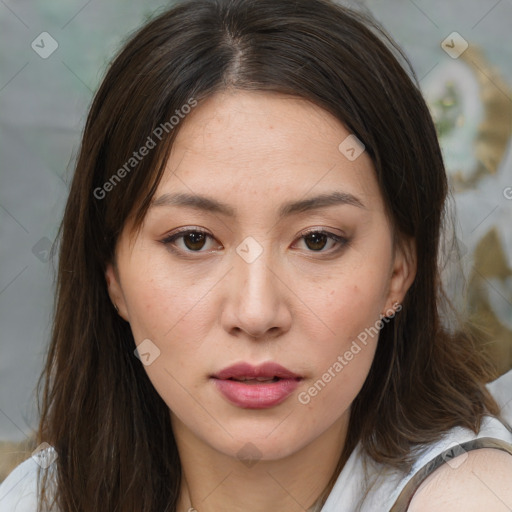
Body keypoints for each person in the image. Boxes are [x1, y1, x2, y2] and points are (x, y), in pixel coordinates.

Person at [1, 0, 511, 510]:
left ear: (398, 273)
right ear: (112, 276)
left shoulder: (472, 496)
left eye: (317, 240)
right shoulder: (39, 498)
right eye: (193, 239)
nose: (256, 312)